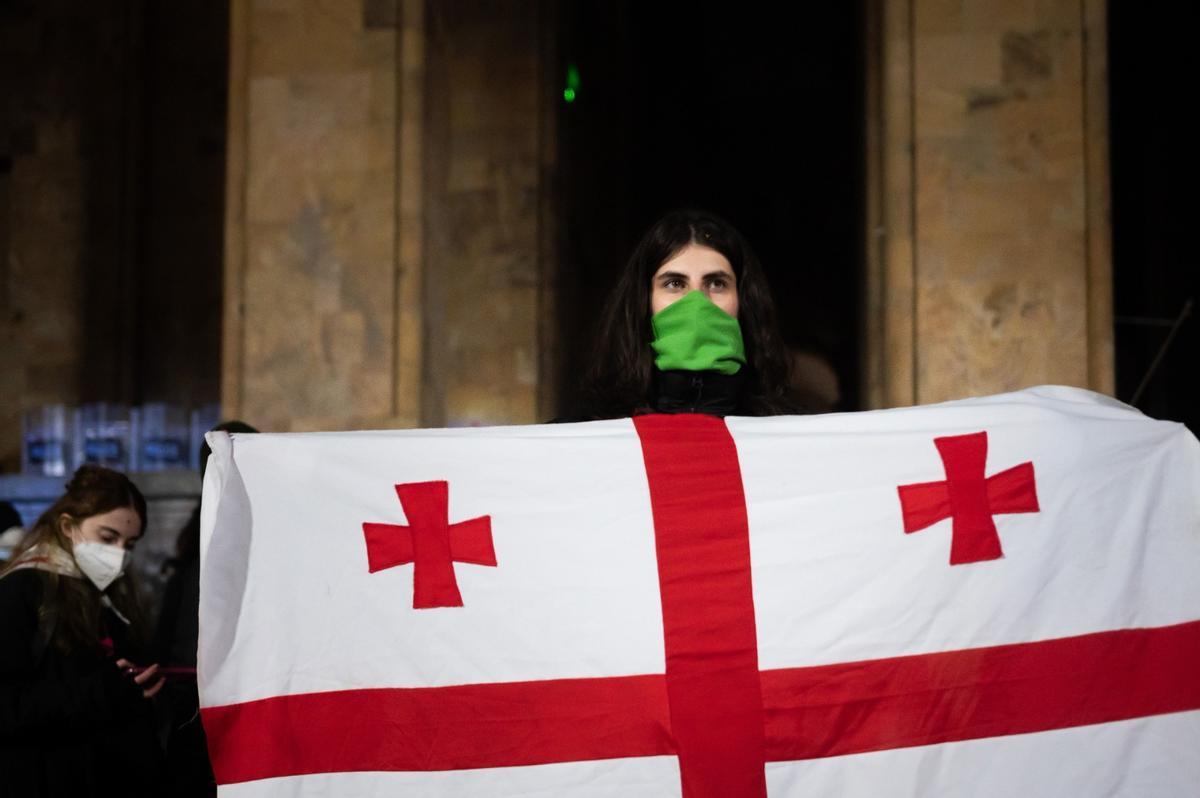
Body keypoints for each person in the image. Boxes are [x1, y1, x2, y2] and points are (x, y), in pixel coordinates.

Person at [0, 465, 165, 796]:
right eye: (107, 538)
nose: (119, 554)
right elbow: (8, 708)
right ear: (67, 526)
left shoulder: (109, 596)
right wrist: (107, 689)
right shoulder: (20, 590)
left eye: (129, 544)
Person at [577, 208, 798, 419]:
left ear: (743, 301)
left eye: (717, 283)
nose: (697, 303)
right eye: (675, 283)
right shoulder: (591, 435)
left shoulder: (785, 435)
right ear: (644, 301)